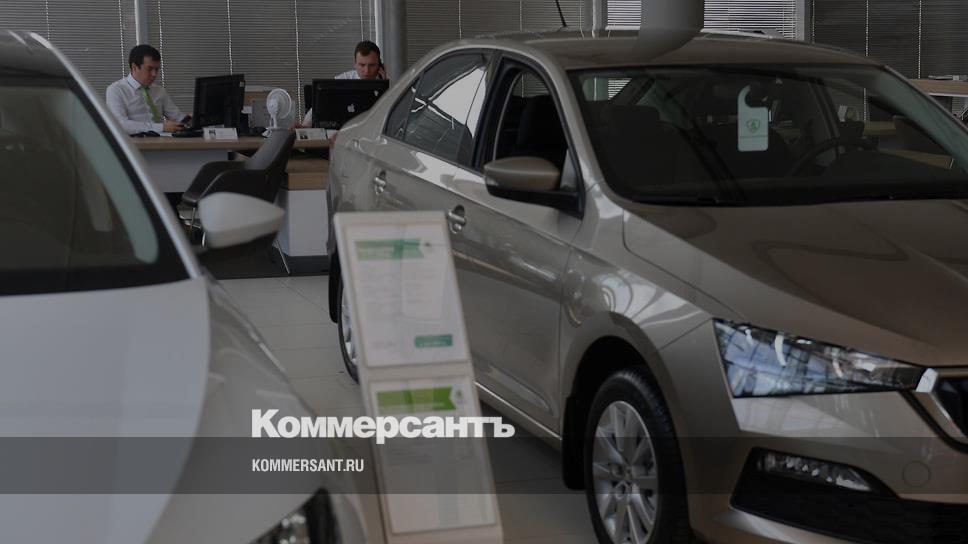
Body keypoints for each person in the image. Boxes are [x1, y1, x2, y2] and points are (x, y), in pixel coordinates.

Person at [106, 44, 190, 135]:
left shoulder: (159, 91)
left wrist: (189, 119)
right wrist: (162, 127)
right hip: (136, 141)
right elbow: (121, 124)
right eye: (149, 69)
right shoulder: (116, 90)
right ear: (134, 67)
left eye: (156, 69)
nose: (154, 74)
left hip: (163, 139)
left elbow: (177, 116)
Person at [300, 40, 386, 128]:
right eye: (362, 65)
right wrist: (304, 126)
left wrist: (384, 87)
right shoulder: (344, 79)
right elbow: (318, 105)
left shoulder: (387, 84)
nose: (367, 71)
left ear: (379, 65)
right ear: (355, 64)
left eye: (372, 65)